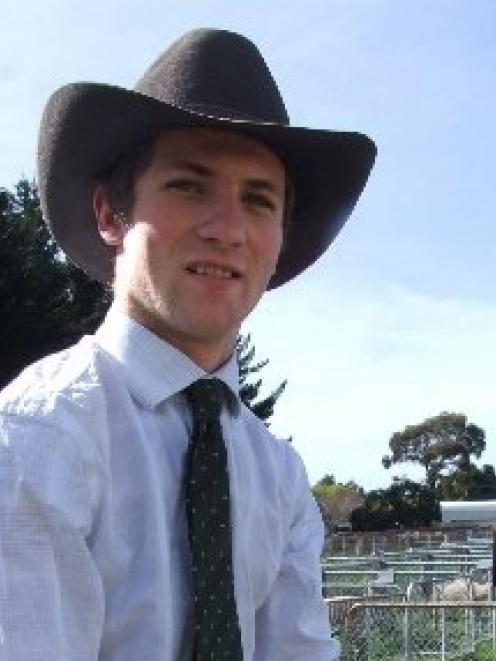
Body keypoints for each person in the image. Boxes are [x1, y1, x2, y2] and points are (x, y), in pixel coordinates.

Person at [0, 28, 375, 660]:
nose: (227, 229)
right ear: (110, 215)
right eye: (188, 185)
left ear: (280, 239)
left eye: (259, 200)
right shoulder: (40, 439)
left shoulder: (278, 477)